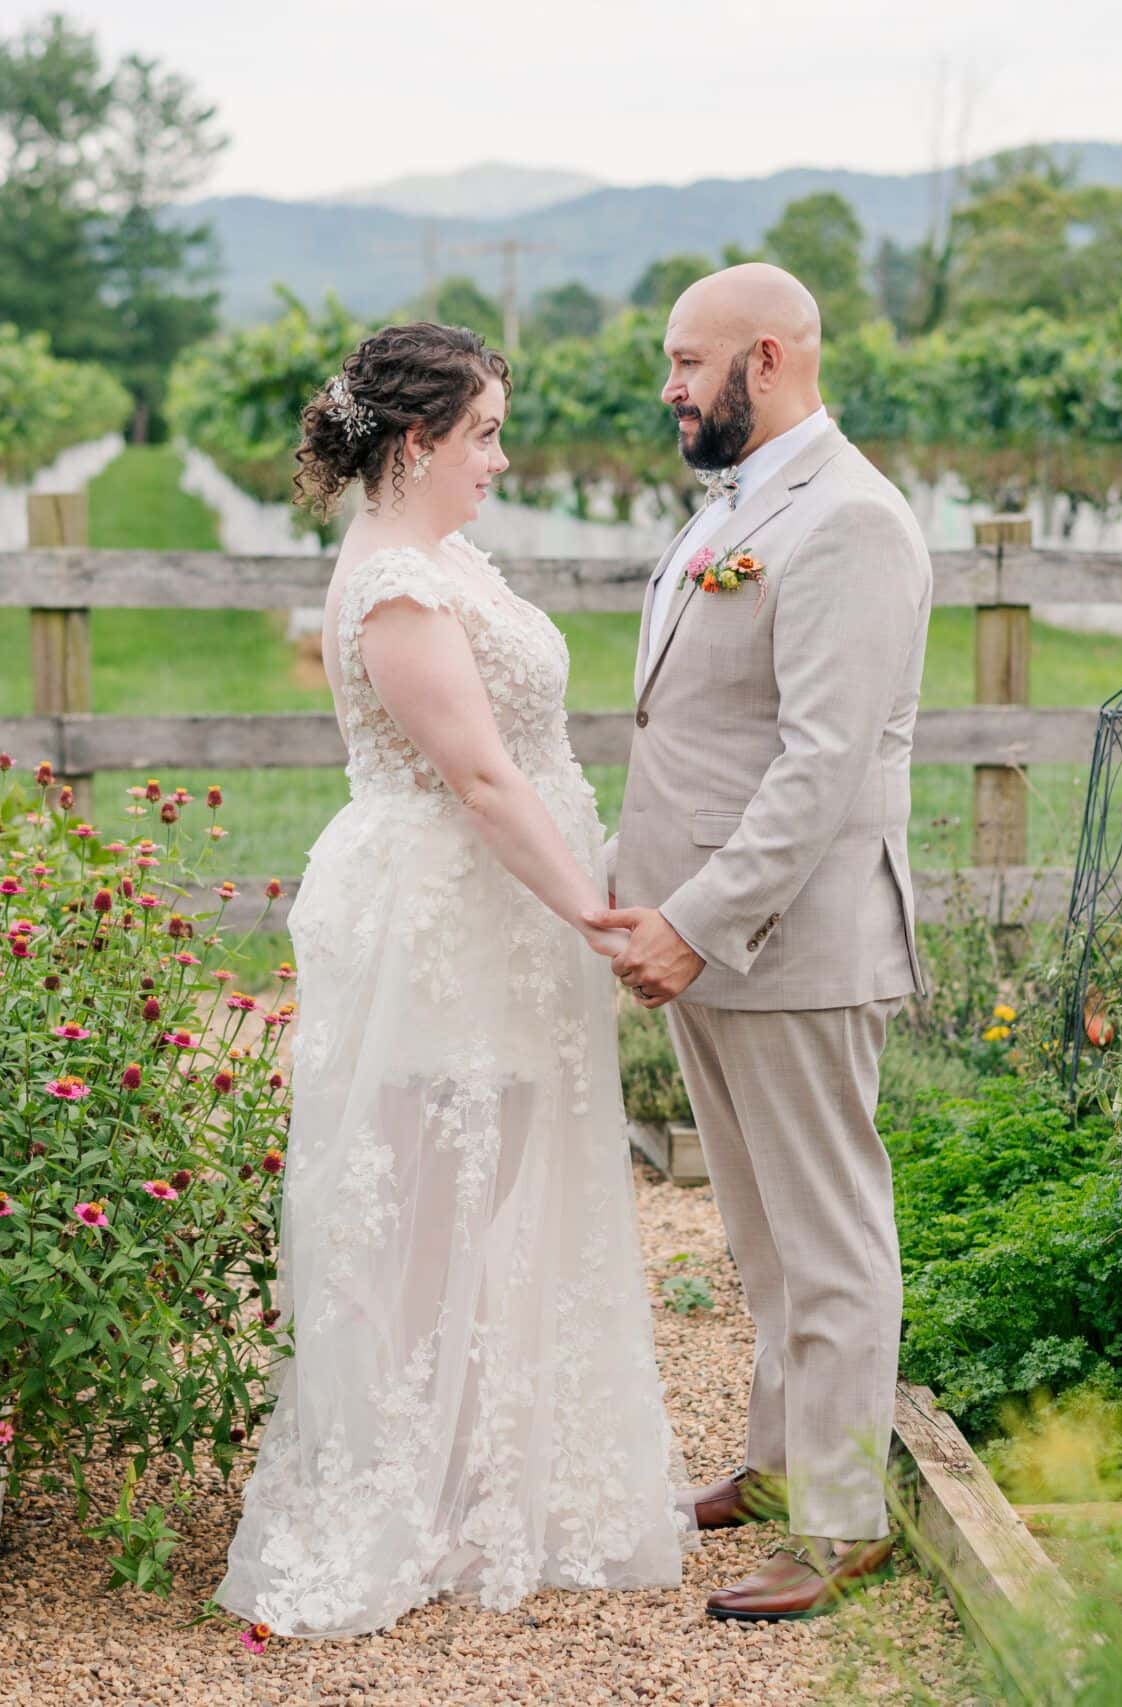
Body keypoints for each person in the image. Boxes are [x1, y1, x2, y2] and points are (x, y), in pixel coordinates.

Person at [216, 322, 693, 1639]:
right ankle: (399, 1499)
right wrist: (600, 915)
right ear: (417, 441)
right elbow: (479, 777)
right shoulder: (393, 589)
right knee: (426, 1203)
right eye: (482, 431)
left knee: (493, 1178)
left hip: (501, 919)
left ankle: (479, 1473)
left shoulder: (441, 554)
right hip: (441, 917)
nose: (500, 454)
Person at [588, 262, 934, 1622]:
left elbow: (825, 764)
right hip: (707, 934)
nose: (669, 388)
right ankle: (785, 1465)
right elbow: (691, 729)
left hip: (787, 937)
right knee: (761, 1235)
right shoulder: (737, 507)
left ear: (770, 357)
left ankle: (844, 1518)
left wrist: (697, 918)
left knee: (831, 1233)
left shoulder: (851, 522)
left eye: (688, 362)